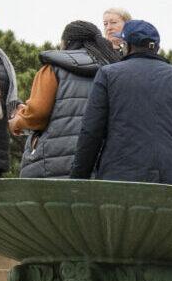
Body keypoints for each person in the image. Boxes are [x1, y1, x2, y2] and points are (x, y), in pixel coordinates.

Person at [68, 19, 172, 187]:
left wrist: (77, 181)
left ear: (127, 45)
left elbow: (91, 132)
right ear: (157, 48)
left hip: (119, 184)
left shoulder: (108, 75)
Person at [9, 20, 119, 178]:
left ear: (67, 42)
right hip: (100, 163)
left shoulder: (52, 68)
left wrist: (17, 122)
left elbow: (37, 115)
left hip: (51, 162)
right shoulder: (112, 72)